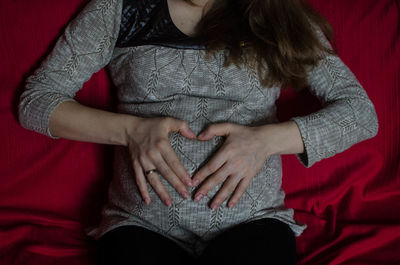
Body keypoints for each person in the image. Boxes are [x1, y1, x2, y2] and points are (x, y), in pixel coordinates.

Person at [18, 0, 379, 264]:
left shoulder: (278, 14)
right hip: (140, 224)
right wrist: (131, 131)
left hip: (253, 222)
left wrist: (265, 141)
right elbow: (35, 102)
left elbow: (361, 114)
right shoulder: (120, 8)